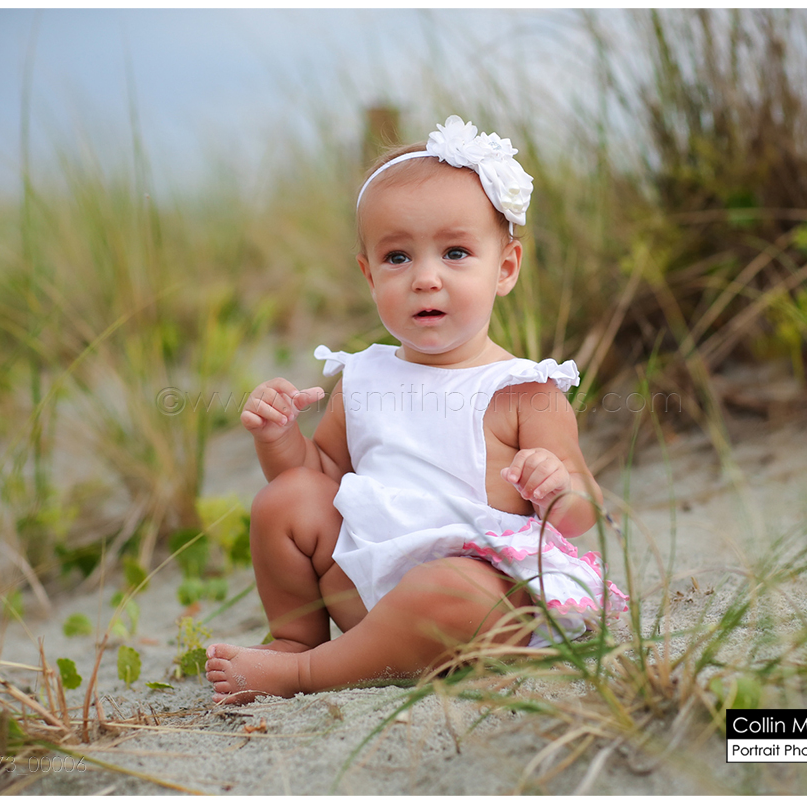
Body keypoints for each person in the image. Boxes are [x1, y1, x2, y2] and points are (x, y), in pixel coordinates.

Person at [205, 116, 627, 703]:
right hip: (368, 583)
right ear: (368, 273)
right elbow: (320, 478)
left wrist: (556, 488)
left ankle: (310, 675)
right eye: (398, 258)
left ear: (504, 268)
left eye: (456, 253)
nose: (425, 279)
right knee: (286, 499)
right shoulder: (365, 377)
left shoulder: (523, 391)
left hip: (481, 606)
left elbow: (584, 511)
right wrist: (278, 440)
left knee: (448, 588)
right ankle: (296, 640)